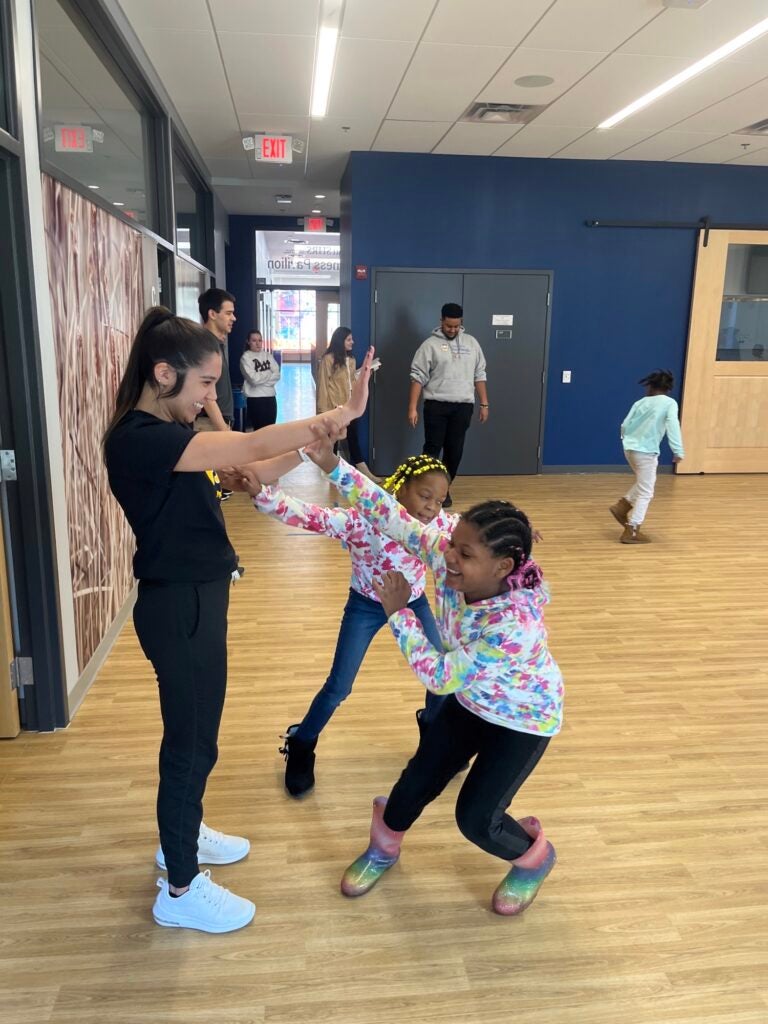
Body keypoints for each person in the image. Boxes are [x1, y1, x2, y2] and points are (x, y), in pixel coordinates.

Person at [102, 307, 374, 933]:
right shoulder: (142, 438)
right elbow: (251, 442)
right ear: (163, 373)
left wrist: (314, 445)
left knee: (201, 737)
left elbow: (253, 469)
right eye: (203, 385)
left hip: (197, 599)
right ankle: (178, 889)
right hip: (180, 605)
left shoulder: (172, 442)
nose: (207, 400)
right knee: (189, 743)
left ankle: (185, 835)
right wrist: (341, 415)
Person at [302, 442, 563, 917]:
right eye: (451, 544)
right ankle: (384, 847)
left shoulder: (512, 627)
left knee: (476, 819)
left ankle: (534, 857)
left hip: (521, 717)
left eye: (464, 553)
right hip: (472, 700)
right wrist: (331, 465)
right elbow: (387, 511)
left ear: (503, 567)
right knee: (416, 781)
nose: (448, 557)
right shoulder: (446, 558)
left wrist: (400, 612)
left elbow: (439, 676)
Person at [247, 453, 452, 797]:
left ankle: (433, 739)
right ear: (400, 488)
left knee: (440, 677)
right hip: (366, 606)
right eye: (425, 495)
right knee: (339, 687)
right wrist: (264, 494)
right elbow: (310, 516)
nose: (432, 507)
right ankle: (301, 744)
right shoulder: (363, 520)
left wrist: (512, 531)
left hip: (413, 602)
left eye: (439, 500)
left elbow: (470, 529)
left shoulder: (439, 524)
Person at [408, 302, 488, 508]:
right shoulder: (429, 345)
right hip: (436, 405)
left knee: (455, 450)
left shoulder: (472, 344)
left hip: (462, 406)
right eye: (449, 326)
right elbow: (418, 377)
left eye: (456, 326)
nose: (452, 330)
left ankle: (444, 490)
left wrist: (484, 403)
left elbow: (480, 374)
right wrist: (412, 407)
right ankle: (425, 489)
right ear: (441, 321)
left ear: (461, 323)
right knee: (432, 449)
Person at [609, 369, 685, 545]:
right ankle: (633, 530)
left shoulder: (641, 402)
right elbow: (673, 426)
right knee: (647, 491)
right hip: (647, 451)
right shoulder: (669, 403)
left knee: (645, 482)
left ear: (651, 387)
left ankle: (622, 506)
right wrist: (678, 450)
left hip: (629, 449)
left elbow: (624, 424)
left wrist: (628, 440)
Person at [317, 326, 379, 480]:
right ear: (341, 340)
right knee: (334, 441)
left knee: (353, 438)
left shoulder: (351, 360)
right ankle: (332, 473)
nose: (353, 342)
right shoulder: (328, 359)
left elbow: (351, 381)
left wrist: (366, 372)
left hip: (350, 406)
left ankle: (363, 472)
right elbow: (323, 385)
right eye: (349, 339)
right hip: (334, 408)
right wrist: (323, 410)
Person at [240, 329, 280, 431]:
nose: (258, 344)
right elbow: (253, 379)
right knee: (259, 431)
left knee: (271, 430)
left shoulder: (268, 355)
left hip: (270, 398)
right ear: (248, 342)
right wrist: (268, 374)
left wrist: (261, 378)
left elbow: (277, 375)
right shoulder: (245, 358)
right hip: (255, 400)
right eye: (254, 340)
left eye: (260, 340)